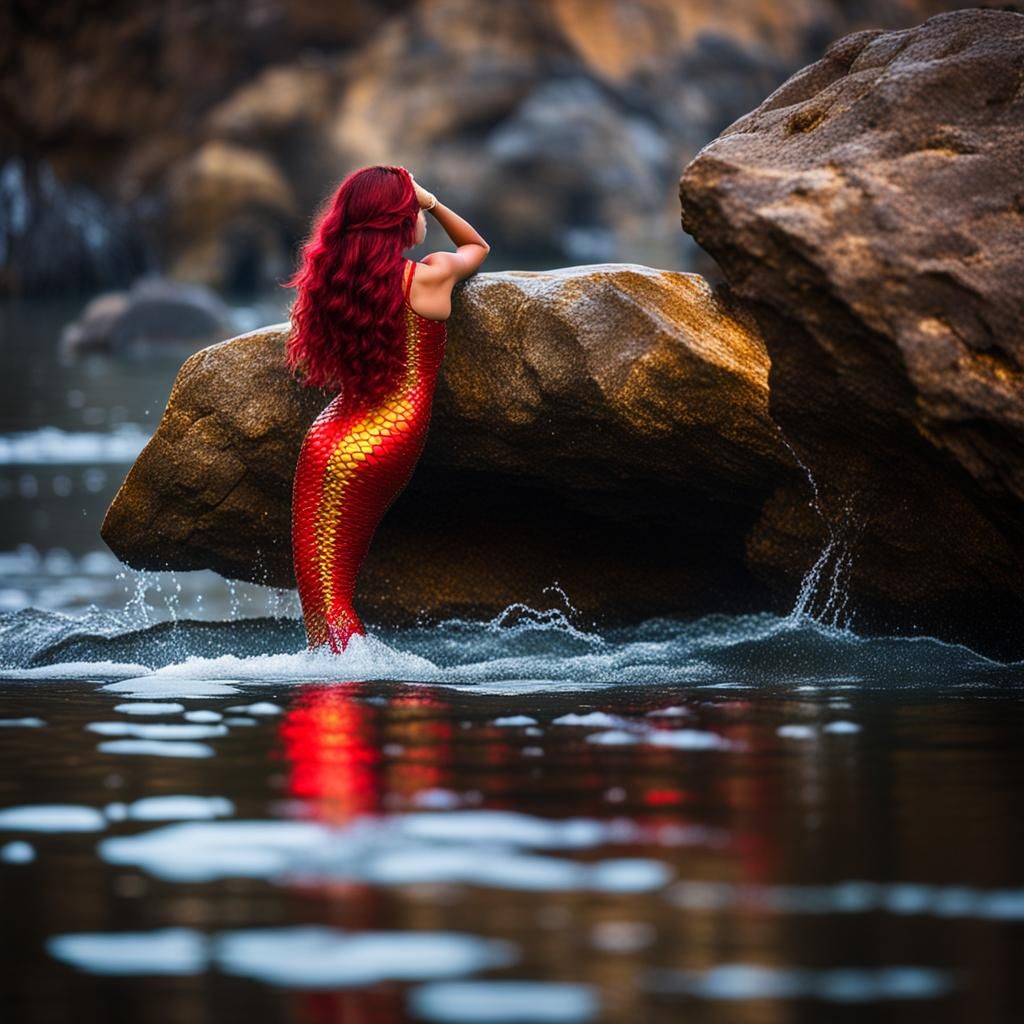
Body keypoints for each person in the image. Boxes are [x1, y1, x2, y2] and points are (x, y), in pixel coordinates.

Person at [283, 165, 490, 653]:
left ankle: (332, 697)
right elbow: (478, 247)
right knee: (333, 598)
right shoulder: (429, 276)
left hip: (330, 433)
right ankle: (346, 697)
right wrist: (433, 200)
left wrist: (412, 196)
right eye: (413, 208)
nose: (419, 214)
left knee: (321, 600)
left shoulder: (336, 282)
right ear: (400, 218)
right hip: (384, 438)